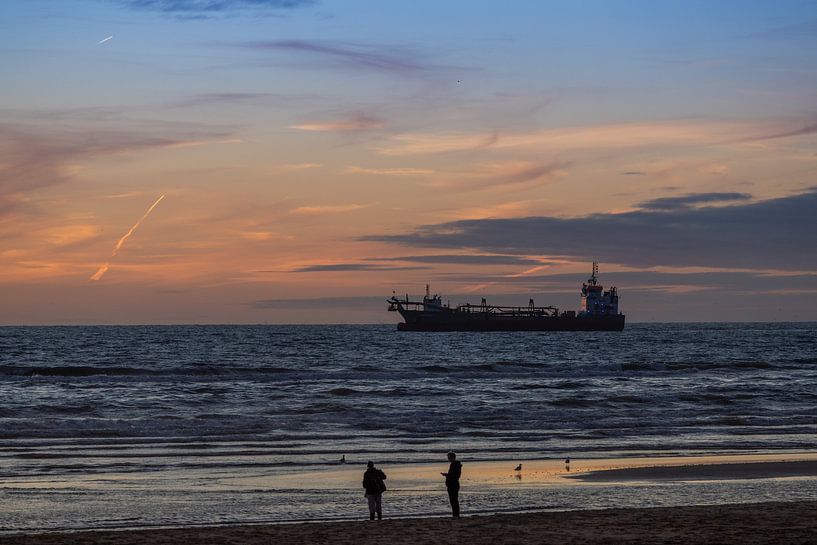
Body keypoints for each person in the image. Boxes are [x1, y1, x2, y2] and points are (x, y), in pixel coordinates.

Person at [440, 451, 462, 518]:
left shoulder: (454, 464)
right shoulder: (455, 464)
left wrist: (446, 475)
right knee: (454, 500)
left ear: (452, 457)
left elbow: (453, 475)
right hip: (453, 484)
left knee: (453, 500)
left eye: (449, 457)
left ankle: (456, 515)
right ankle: (456, 515)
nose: (448, 459)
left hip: (453, 484)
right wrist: (447, 475)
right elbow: (454, 474)